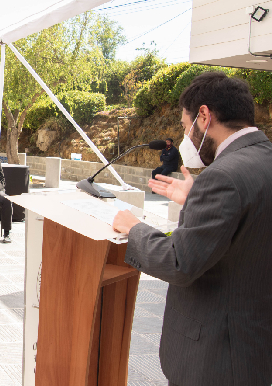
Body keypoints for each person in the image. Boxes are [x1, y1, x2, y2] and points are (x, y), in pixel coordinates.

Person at [112, 72, 272, 386]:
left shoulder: (223, 176)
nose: (187, 137)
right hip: (253, 347)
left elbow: (180, 262)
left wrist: (135, 228)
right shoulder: (261, 160)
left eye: (187, 127)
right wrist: (194, 198)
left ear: (203, 116)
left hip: (215, 357)